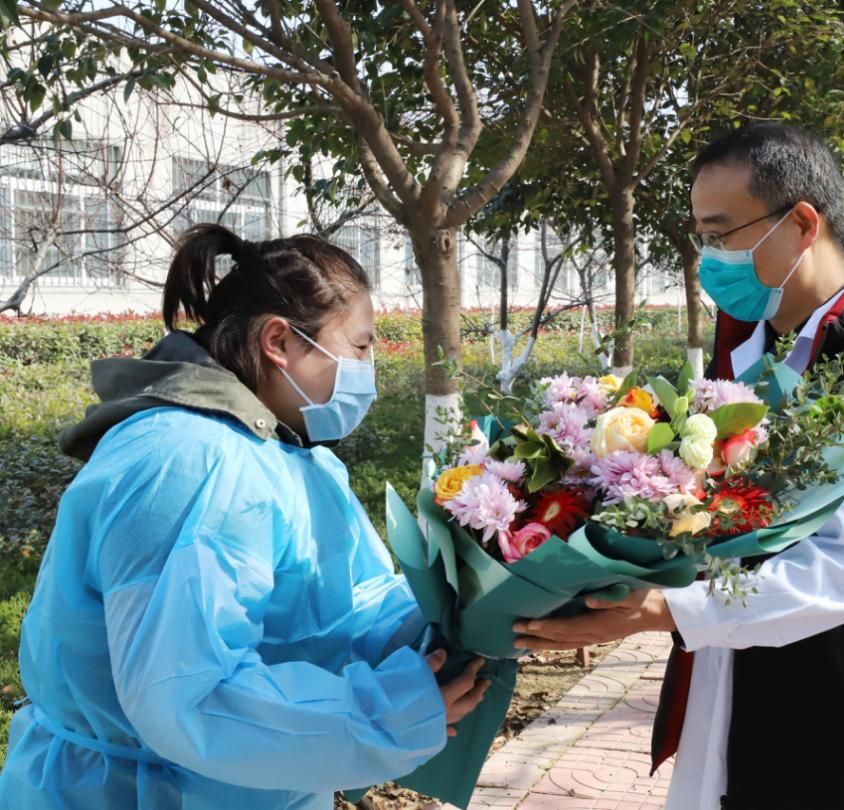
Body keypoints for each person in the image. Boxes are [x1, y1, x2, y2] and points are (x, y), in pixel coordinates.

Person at [513, 123, 844, 809]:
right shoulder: (744, 354)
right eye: (701, 237)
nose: (710, 258)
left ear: (800, 223)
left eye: (722, 233)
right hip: (731, 696)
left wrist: (661, 609)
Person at [0, 225, 489, 810]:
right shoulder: (184, 460)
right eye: (360, 346)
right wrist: (385, 711)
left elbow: (336, 610)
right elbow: (186, 695)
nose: (369, 368)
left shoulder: (286, 458)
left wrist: (467, 606)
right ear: (278, 341)